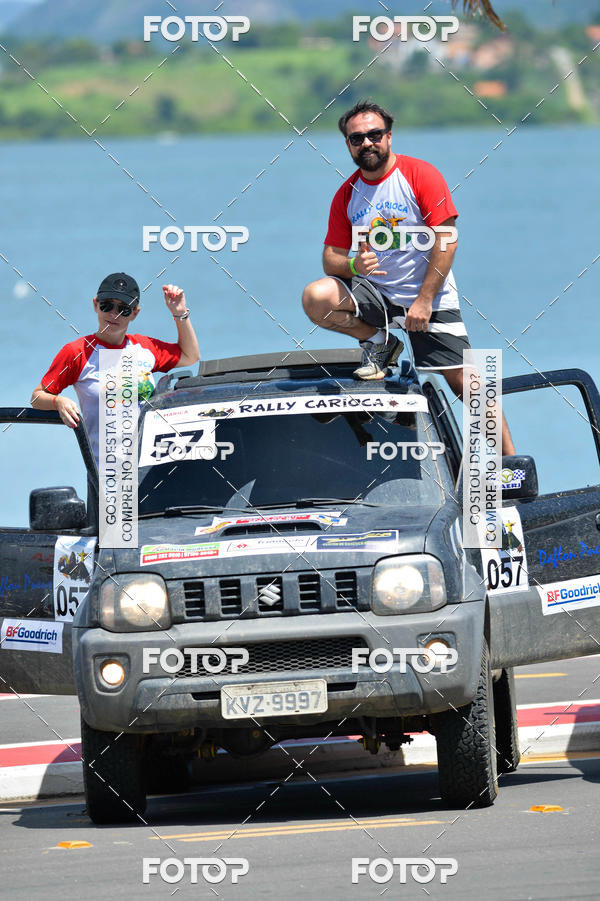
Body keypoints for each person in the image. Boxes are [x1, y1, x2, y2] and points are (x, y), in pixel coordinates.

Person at [302, 100, 515, 456]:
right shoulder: (347, 194)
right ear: (348, 145)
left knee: (470, 387)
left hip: (427, 297)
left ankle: (513, 468)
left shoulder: (420, 175)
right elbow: (331, 258)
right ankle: (382, 343)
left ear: (389, 135)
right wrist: (355, 266)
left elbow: (447, 241)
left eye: (374, 135)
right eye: (357, 138)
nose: (367, 143)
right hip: (377, 296)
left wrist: (426, 300)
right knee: (316, 297)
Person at [31, 272, 201, 462]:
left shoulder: (144, 348)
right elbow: (37, 397)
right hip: (109, 472)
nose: (113, 314)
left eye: (123, 309)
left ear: (135, 313)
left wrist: (179, 312)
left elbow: (190, 356)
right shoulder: (77, 352)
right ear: (95, 305)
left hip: (152, 464)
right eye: (107, 305)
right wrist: (58, 402)